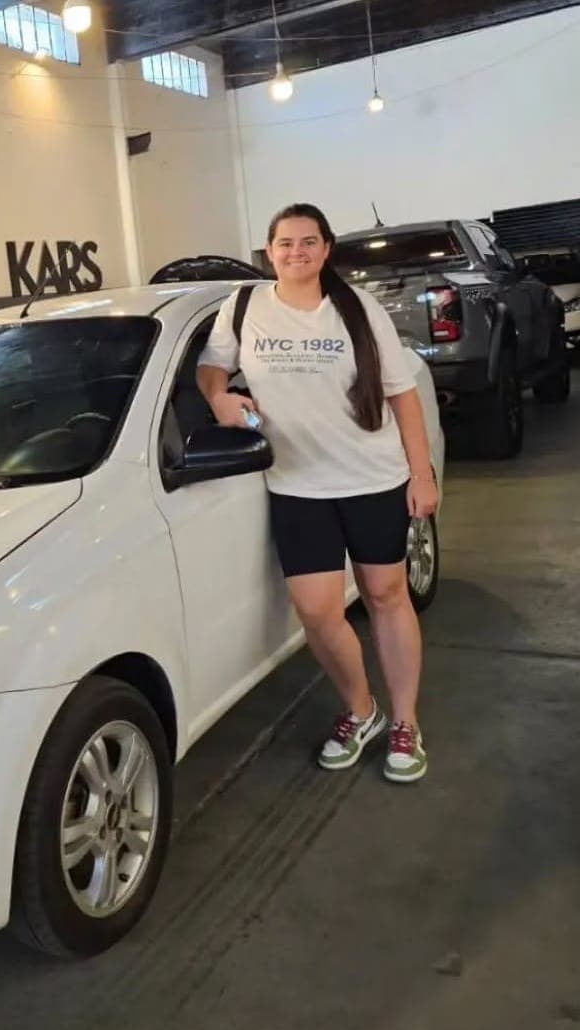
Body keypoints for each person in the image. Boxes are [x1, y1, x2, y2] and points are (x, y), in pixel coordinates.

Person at [197, 203, 438, 783]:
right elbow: (211, 366)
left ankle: (406, 722)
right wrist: (218, 397)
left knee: (386, 596)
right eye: (286, 243)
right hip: (296, 485)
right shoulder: (245, 307)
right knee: (316, 611)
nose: (297, 252)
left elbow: (402, 395)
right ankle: (362, 710)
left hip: (372, 478)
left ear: (327, 249)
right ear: (269, 251)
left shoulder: (359, 309)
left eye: (309, 242)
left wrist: (422, 474)